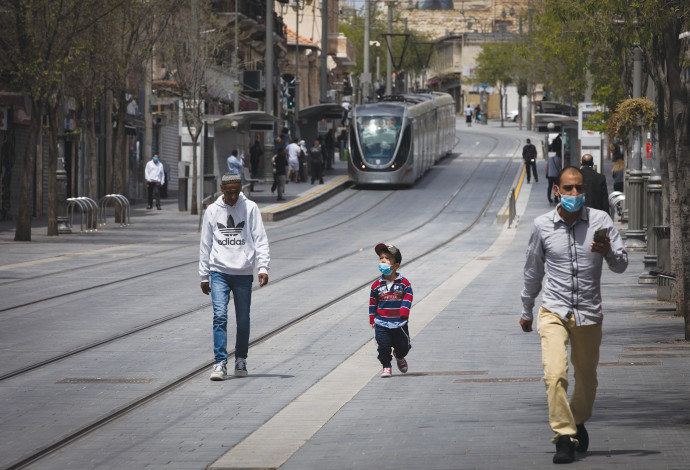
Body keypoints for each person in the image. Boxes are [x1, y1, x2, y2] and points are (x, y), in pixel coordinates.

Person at [520, 166, 628, 464]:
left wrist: (607, 251)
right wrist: (526, 309)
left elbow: (621, 265)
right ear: (557, 190)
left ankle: (578, 420)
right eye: (568, 188)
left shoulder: (600, 221)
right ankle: (564, 436)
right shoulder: (542, 225)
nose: (574, 194)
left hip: (589, 313)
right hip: (553, 310)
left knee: (587, 378)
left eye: (579, 188)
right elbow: (533, 271)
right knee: (555, 375)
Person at [199, 172, 270, 380]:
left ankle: (241, 359)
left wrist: (263, 267)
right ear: (221, 189)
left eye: (236, 192)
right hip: (219, 271)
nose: (233, 196)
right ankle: (220, 362)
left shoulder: (250, 208)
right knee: (219, 316)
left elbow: (261, 239)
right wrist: (204, 275)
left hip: (242, 272)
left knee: (243, 320)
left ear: (241, 189)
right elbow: (205, 244)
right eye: (229, 192)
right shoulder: (212, 211)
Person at [370, 243, 413, 378]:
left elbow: (408, 296)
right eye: (381, 258)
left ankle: (399, 356)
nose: (382, 261)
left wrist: (404, 311)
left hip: (399, 322)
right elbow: (373, 303)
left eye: (387, 258)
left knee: (403, 346)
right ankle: (386, 366)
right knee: (383, 346)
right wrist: (372, 318)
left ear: (396, 266)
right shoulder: (376, 286)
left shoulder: (404, 283)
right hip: (382, 322)